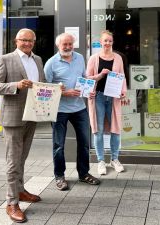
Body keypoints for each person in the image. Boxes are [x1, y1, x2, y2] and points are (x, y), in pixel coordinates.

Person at [0, 28, 44, 223]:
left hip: (31, 115)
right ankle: (11, 203)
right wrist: (16, 85)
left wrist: (55, 89)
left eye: (31, 40)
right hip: (13, 118)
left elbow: (41, 85)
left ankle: (20, 191)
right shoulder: (5, 59)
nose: (27, 43)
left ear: (34, 42)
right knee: (13, 162)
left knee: (22, 158)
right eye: (23, 40)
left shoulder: (37, 60)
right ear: (16, 41)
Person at [44, 33, 100, 191]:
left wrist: (89, 89)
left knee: (84, 143)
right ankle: (59, 176)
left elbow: (84, 77)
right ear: (58, 46)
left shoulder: (80, 58)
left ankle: (83, 174)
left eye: (70, 44)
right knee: (58, 146)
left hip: (79, 108)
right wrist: (64, 92)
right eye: (64, 45)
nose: (68, 47)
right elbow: (45, 88)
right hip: (59, 110)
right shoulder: (51, 63)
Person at [86, 30, 127, 175]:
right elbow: (88, 79)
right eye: (105, 41)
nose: (108, 43)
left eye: (110, 41)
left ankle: (114, 159)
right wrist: (101, 74)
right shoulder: (93, 58)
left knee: (116, 129)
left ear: (112, 42)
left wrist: (123, 90)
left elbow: (121, 76)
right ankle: (101, 161)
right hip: (98, 97)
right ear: (101, 42)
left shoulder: (118, 58)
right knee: (98, 130)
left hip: (114, 97)